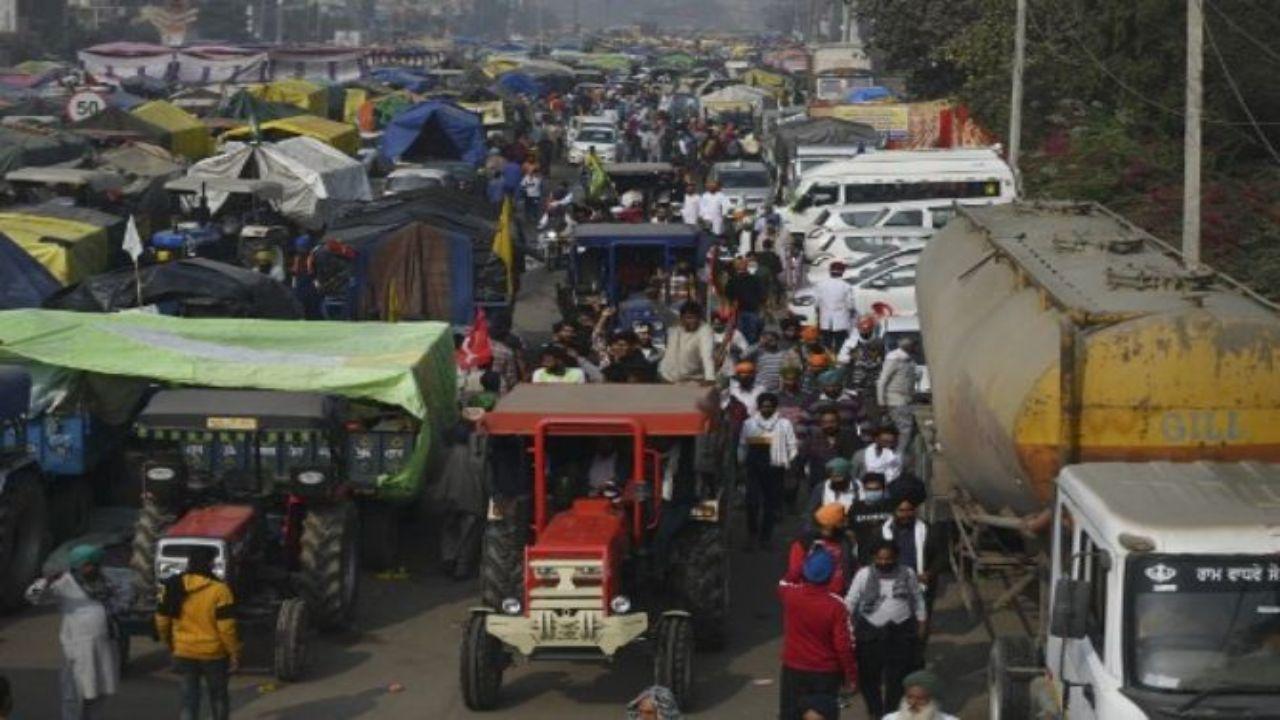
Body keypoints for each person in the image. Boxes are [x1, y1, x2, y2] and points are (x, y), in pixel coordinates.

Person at [26, 544, 130, 720]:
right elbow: (31, 596)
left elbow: (124, 599)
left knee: (99, 691)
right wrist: (46, 581)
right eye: (89, 564)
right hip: (77, 648)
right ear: (79, 565)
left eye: (95, 564)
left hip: (104, 646)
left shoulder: (105, 581)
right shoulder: (64, 582)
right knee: (73, 695)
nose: (93, 568)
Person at [155, 545, 240, 720]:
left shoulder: (172, 585)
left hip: (184, 651)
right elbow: (226, 628)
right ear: (209, 564)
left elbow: (162, 620)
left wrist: (169, 643)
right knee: (218, 697)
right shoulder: (220, 590)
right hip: (214, 654)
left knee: (189, 700)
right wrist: (234, 653)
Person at [844, 540, 927, 720]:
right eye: (880, 559)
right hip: (870, 632)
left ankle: (890, 714)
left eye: (888, 559)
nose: (884, 562)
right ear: (874, 558)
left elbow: (917, 600)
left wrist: (921, 624)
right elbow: (850, 602)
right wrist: (847, 626)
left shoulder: (908, 573)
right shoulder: (863, 575)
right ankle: (875, 710)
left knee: (897, 678)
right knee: (868, 677)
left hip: (901, 632)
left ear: (896, 557)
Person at [777, 546, 859, 720]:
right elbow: (843, 645)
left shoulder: (790, 595)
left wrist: (802, 565)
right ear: (830, 576)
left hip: (793, 669)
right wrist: (851, 675)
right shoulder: (836, 605)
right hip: (825, 673)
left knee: (790, 714)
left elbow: (785, 580)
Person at [882, 480, 946, 634]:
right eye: (901, 511)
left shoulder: (928, 530)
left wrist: (929, 574)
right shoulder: (882, 533)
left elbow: (941, 556)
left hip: (921, 590)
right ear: (894, 511)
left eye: (909, 510)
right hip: (890, 590)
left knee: (918, 632)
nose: (906, 515)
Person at [738, 393, 799, 550]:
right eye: (764, 406)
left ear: (775, 407)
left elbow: (792, 445)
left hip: (775, 467)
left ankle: (766, 538)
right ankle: (752, 535)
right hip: (754, 466)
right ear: (758, 407)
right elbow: (743, 446)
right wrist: (741, 463)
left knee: (770, 504)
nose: (767, 409)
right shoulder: (749, 423)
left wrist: (789, 463)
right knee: (752, 503)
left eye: (770, 406)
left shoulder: (784, 424)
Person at [436, 413, 489, 580]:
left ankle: (448, 559)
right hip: (472, 499)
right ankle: (461, 567)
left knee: (449, 527)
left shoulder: (447, 452)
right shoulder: (480, 454)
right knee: (469, 533)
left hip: (448, 496)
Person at [786, 502, 856, 595]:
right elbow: (794, 573)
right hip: (810, 596)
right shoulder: (804, 543)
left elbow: (851, 565)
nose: (845, 524)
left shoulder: (846, 541)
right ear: (830, 526)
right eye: (842, 521)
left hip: (838, 596)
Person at [802, 409, 861, 494]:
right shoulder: (812, 439)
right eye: (825, 422)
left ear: (839, 422)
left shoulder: (850, 437)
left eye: (832, 422)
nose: (828, 425)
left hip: (845, 484)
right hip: (819, 484)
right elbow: (801, 459)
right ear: (820, 424)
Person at [877, 337, 919, 455]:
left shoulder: (908, 360)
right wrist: (881, 402)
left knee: (897, 430)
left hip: (904, 400)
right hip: (897, 400)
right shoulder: (895, 359)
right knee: (904, 431)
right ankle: (898, 456)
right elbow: (882, 381)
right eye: (914, 346)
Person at [658, 301, 716, 383]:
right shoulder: (674, 324)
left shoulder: (705, 330)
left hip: (690, 380)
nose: (693, 321)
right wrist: (654, 300)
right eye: (689, 318)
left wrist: (710, 377)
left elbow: (707, 355)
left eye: (696, 318)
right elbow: (662, 310)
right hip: (666, 377)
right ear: (681, 318)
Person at [849, 473, 895, 565]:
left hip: (888, 557)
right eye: (869, 489)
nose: (873, 492)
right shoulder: (856, 507)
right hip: (863, 557)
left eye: (876, 489)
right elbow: (850, 530)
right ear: (864, 489)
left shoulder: (891, 506)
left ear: (883, 489)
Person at [812, 261, 857, 351]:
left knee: (826, 345)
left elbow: (816, 302)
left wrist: (818, 313)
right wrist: (852, 312)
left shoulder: (820, 284)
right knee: (840, 345)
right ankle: (838, 360)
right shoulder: (846, 286)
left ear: (830, 271)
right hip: (841, 321)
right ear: (842, 272)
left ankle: (828, 360)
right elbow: (850, 304)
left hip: (825, 320)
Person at [882, 670, 959, 720]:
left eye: (920, 699)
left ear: (933, 700)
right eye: (909, 697)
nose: (913, 703)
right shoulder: (890, 718)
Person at [724, 258, 767, 344]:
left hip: (745, 311)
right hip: (745, 311)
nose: (741, 266)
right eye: (739, 264)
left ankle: (748, 351)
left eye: (742, 264)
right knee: (748, 334)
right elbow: (762, 295)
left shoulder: (733, 280)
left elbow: (728, 295)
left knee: (744, 334)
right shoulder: (754, 279)